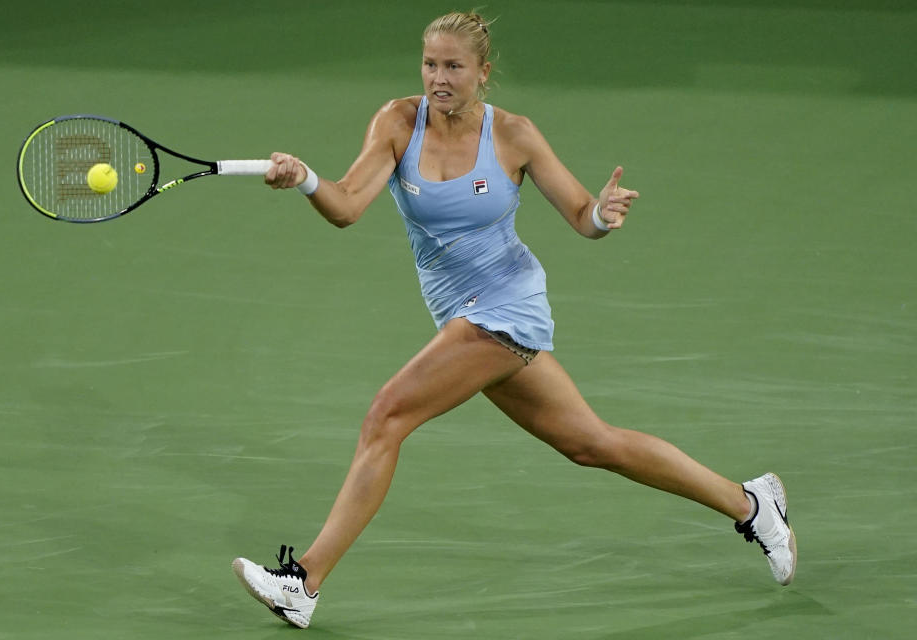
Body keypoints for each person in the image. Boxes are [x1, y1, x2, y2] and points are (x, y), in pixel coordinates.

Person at [232, 12, 796, 629]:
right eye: (430, 64)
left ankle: (304, 581)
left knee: (386, 416)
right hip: (459, 313)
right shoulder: (397, 122)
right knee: (591, 443)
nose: (439, 79)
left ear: (483, 72)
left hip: (505, 305)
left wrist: (604, 215)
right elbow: (345, 206)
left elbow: (582, 214)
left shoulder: (516, 136)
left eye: (453, 67)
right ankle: (750, 503)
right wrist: (306, 178)